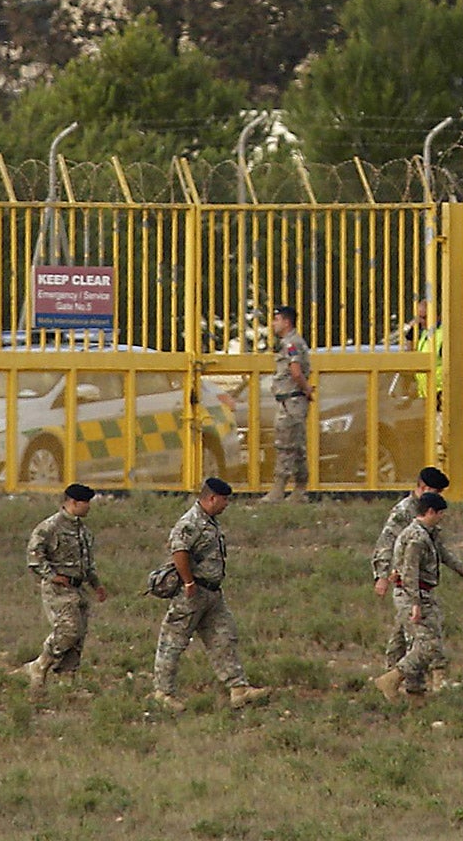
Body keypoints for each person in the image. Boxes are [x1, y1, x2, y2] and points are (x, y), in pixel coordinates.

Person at [151, 477, 270, 712]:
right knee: (173, 642)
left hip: (212, 594)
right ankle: (162, 692)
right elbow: (179, 551)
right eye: (224, 499)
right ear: (211, 498)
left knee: (224, 638)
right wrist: (188, 582)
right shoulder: (190, 522)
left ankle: (238, 688)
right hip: (193, 594)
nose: (226, 504)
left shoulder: (210, 522)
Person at [372, 491, 463, 703]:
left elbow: (443, 553)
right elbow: (410, 573)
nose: (442, 518)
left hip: (418, 593)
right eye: (440, 514)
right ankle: (393, 678)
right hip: (413, 594)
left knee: (402, 642)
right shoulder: (416, 538)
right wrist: (415, 605)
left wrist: (462, 570)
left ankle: (413, 693)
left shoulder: (427, 533)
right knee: (428, 645)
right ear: (430, 512)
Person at [21, 482, 107, 694]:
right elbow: (34, 555)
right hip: (58, 590)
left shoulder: (83, 532)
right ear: (72, 502)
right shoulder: (50, 527)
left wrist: (96, 585)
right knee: (68, 630)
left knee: (78, 638)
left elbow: (87, 563)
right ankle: (40, 665)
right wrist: (52, 576)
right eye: (85, 503)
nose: (88, 507)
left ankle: (67, 683)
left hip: (78, 588)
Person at [372, 466, 454, 681]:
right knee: (417, 635)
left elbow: (438, 546)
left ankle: (393, 675)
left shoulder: (428, 511)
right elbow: (386, 542)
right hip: (406, 582)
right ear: (424, 487)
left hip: (417, 580)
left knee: (402, 631)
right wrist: (382, 575)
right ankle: (407, 682)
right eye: (436, 491)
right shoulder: (403, 512)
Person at [265, 305, 313, 501]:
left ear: (286, 321)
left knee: (285, 444)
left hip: (291, 401)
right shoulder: (292, 342)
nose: (273, 324)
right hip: (293, 401)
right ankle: (300, 490)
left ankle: (279, 489)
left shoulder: (291, 344)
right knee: (297, 445)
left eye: (276, 320)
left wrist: (306, 388)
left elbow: (295, 371)